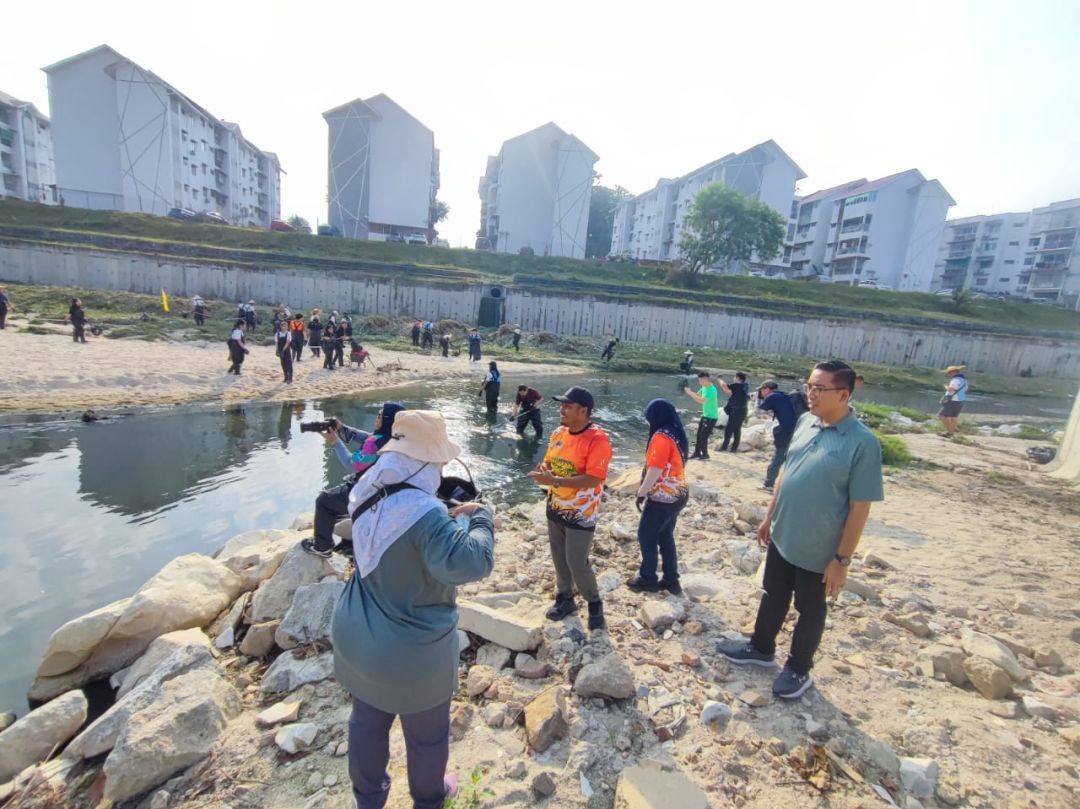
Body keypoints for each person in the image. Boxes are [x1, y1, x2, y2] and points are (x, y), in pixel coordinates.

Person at [331, 410, 494, 809]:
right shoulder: (427, 516)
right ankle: (429, 799)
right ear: (425, 461)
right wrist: (480, 518)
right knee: (427, 738)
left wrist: (443, 520)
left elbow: (396, 537)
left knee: (367, 724)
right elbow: (473, 563)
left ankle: (368, 800)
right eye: (438, 461)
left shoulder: (369, 489)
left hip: (357, 637)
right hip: (409, 654)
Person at [718, 360, 883, 700]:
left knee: (810, 610)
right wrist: (768, 516)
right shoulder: (807, 421)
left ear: (844, 394)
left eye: (819, 389)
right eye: (809, 386)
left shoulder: (862, 443)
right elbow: (786, 472)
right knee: (772, 593)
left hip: (819, 546)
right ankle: (761, 648)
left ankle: (798, 668)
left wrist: (842, 559)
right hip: (784, 532)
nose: (810, 393)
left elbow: (859, 508)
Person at [528, 386, 612, 630]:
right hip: (555, 505)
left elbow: (594, 479)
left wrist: (553, 480)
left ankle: (594, 603)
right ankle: (565, 597)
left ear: (583, 411)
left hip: (581, 512)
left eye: (567, 406)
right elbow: (548, 462)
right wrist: (543, 471)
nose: (561, 410)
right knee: (558, 556)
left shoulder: (598, 440)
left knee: (576, 560)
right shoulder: (559, 433)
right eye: (561, 405)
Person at [301, 403, 404, 558]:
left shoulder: (375, 443)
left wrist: (335, 442)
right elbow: (369, 438)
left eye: (379, 415)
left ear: (387, 419)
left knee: (324, 500)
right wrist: (342, 428)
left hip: (366, 492)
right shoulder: (397, 438)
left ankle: (322, 547)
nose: (376, 417)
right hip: (386, 491)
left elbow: (352, 464)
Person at [626, 399, 690, 595]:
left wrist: (641, 492)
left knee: (646, 536)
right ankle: (671, 580)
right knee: (665, 535)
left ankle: (648, 579)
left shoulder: (661, 438)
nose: (647, 422)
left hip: (663, 498)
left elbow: (655, 469)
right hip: (679, 493)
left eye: (648, 417)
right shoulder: (676, 432)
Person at [757, 379, 797, 492]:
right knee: (790, 458)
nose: (761, 393)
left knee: (778, 457)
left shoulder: (772, 396)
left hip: (786, 432)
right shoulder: (783, 395)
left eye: (761, 390)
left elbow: (760, 411)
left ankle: (768, 485)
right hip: (797, 430)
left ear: (767, 389)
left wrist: (755, 400)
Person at [684, 371, 720, 460]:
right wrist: (690, 391)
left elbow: (701, 401)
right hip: (705, 415)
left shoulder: (712, 390)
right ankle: (697, 453)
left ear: (705, 379)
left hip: (711, 417)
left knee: (703, 436)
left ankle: (705, 454)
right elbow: (698, 395)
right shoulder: (704, 387)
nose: (699, 382)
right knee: (699, 435)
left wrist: (690, 393)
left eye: (700, 380)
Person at [717, 372, 751, 452]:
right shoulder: (745, 385)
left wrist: (719, 379)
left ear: (738, 378)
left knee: (729, 429)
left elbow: (724, 386)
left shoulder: (737, 386)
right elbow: (728, 392)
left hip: (736, 411)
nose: (733, 378)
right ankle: (734, 448)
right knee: (737, 429)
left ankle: (724, 447)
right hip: (742, 411)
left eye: (734, 377)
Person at [938, 365, 969, 438]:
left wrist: (946, 386)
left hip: (953, 400)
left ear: (953, 372)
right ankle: (952, 431)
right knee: (953, 417)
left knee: (941, 416)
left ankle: (950, 432)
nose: (948, 375)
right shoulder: (965, 381)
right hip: (961, 400)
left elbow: (951, 389)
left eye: (949, 373)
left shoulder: (955, 380)